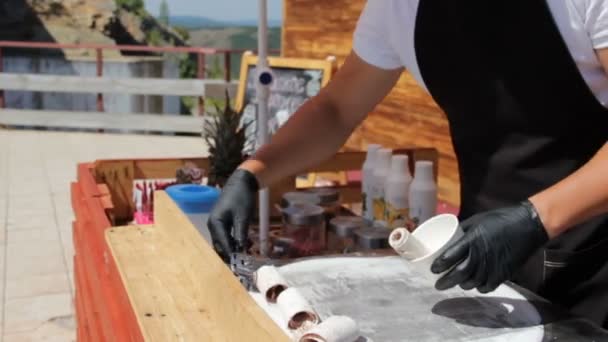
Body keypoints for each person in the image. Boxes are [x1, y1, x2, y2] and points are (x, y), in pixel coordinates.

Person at [208, 0, 608, 328]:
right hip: (481, 254)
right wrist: (253, 172)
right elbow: (336, 109)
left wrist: (535, 219)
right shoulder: (398, 9)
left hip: (595, 260)